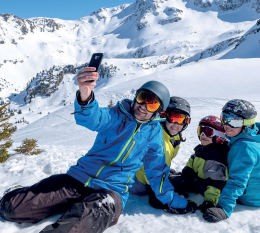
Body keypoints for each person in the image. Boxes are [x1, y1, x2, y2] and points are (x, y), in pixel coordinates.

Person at [0, 67, 197, 233]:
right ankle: (21, 193)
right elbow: (92, 117)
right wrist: (85, 93)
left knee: (84, 219)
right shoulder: (116, 116)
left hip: (111, 192)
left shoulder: (154, 135)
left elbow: (157, 173)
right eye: (142, 98)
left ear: (159, 110)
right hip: (79, 179)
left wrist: (176, 202)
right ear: (136, 96)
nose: (143, 106)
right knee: (11, 209)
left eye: (152, 103)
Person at [203, 99, 260, 223]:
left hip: (249, 197)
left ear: (246, 123)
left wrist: (224, 208)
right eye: (225, 118)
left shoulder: (244, 147)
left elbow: (237, 180)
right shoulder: (253, 136)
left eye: (234, 121)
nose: (227, 125)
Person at [129, 96, 191, 210]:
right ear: (164, 116)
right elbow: (152, 175)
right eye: (173, 118)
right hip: (137, 182)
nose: (176, 124)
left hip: (149, 178)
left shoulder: (173, 136)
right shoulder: (159, 138)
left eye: (181, 119)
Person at [169, 116, 229, 213]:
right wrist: (186, 176)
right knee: (174, 179)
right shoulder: (202, 149)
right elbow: (192, 162)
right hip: (198, 180)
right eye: (201, 131)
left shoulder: (215, 155)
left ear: (219, 135)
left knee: (170, 181)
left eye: (208, 132)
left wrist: (210, 202)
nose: (203, 135)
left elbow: (215, 183)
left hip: (206, 187)